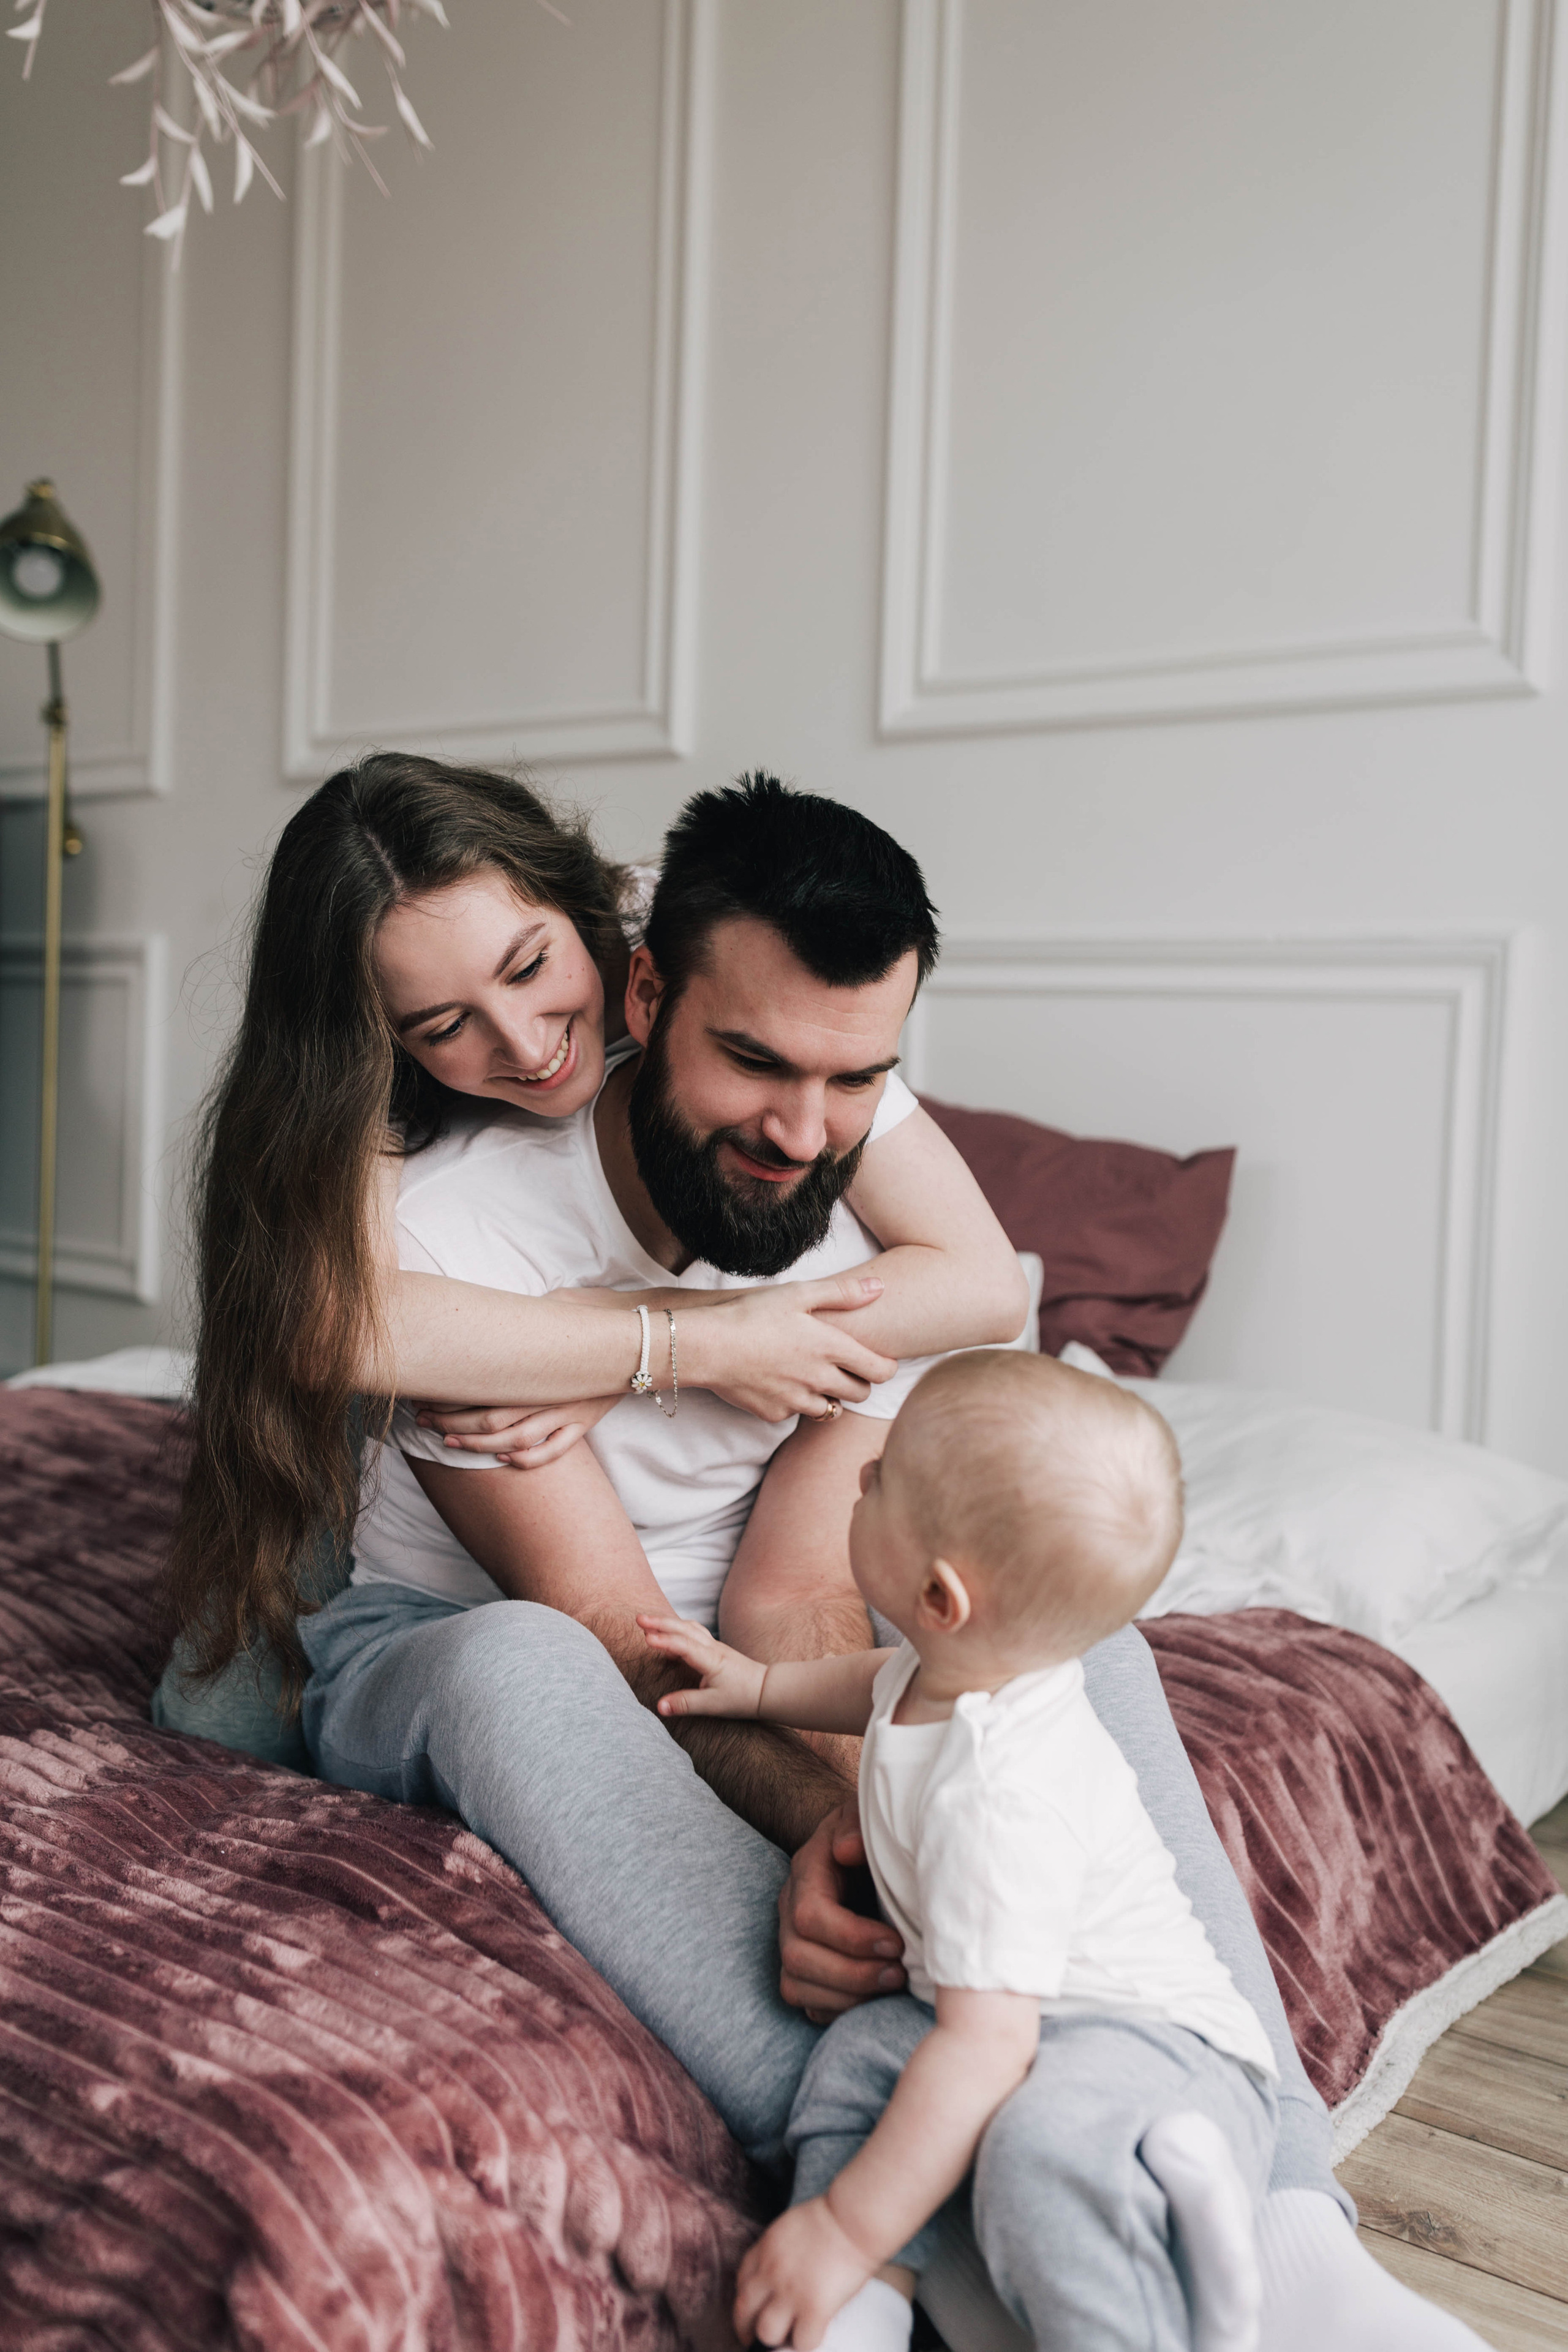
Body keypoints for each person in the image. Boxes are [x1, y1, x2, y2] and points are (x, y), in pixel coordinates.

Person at [173, 760, 1482, 2352]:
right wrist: (669, 1352)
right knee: (511, 1666)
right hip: (516, 1611)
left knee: (1055, 1639)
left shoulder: (819, 1094)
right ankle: (923, 2198)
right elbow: (615, 1626)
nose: (519, 1043)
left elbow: (946, 1347)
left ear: (609, 957)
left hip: (748, 1572)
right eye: (444, 1022)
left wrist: (733, 1348)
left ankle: (1279, 2209)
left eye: (529, 972)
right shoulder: (431, 1223)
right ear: (668, 993)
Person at [643, 1351, 1278, 2352]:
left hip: (1144, 2044)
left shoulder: (1003, 1797)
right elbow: (870, 1687)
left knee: (1043, 2149)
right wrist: (755, 1689)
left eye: (884, 1478)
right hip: (1010, 2010)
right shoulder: (953, 1670)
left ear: (939, 1597)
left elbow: (988, 2050)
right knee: (855, 2070)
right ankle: (869, 2307)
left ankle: (1156, 2301)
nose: (859, 1476)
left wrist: (845, 2227)